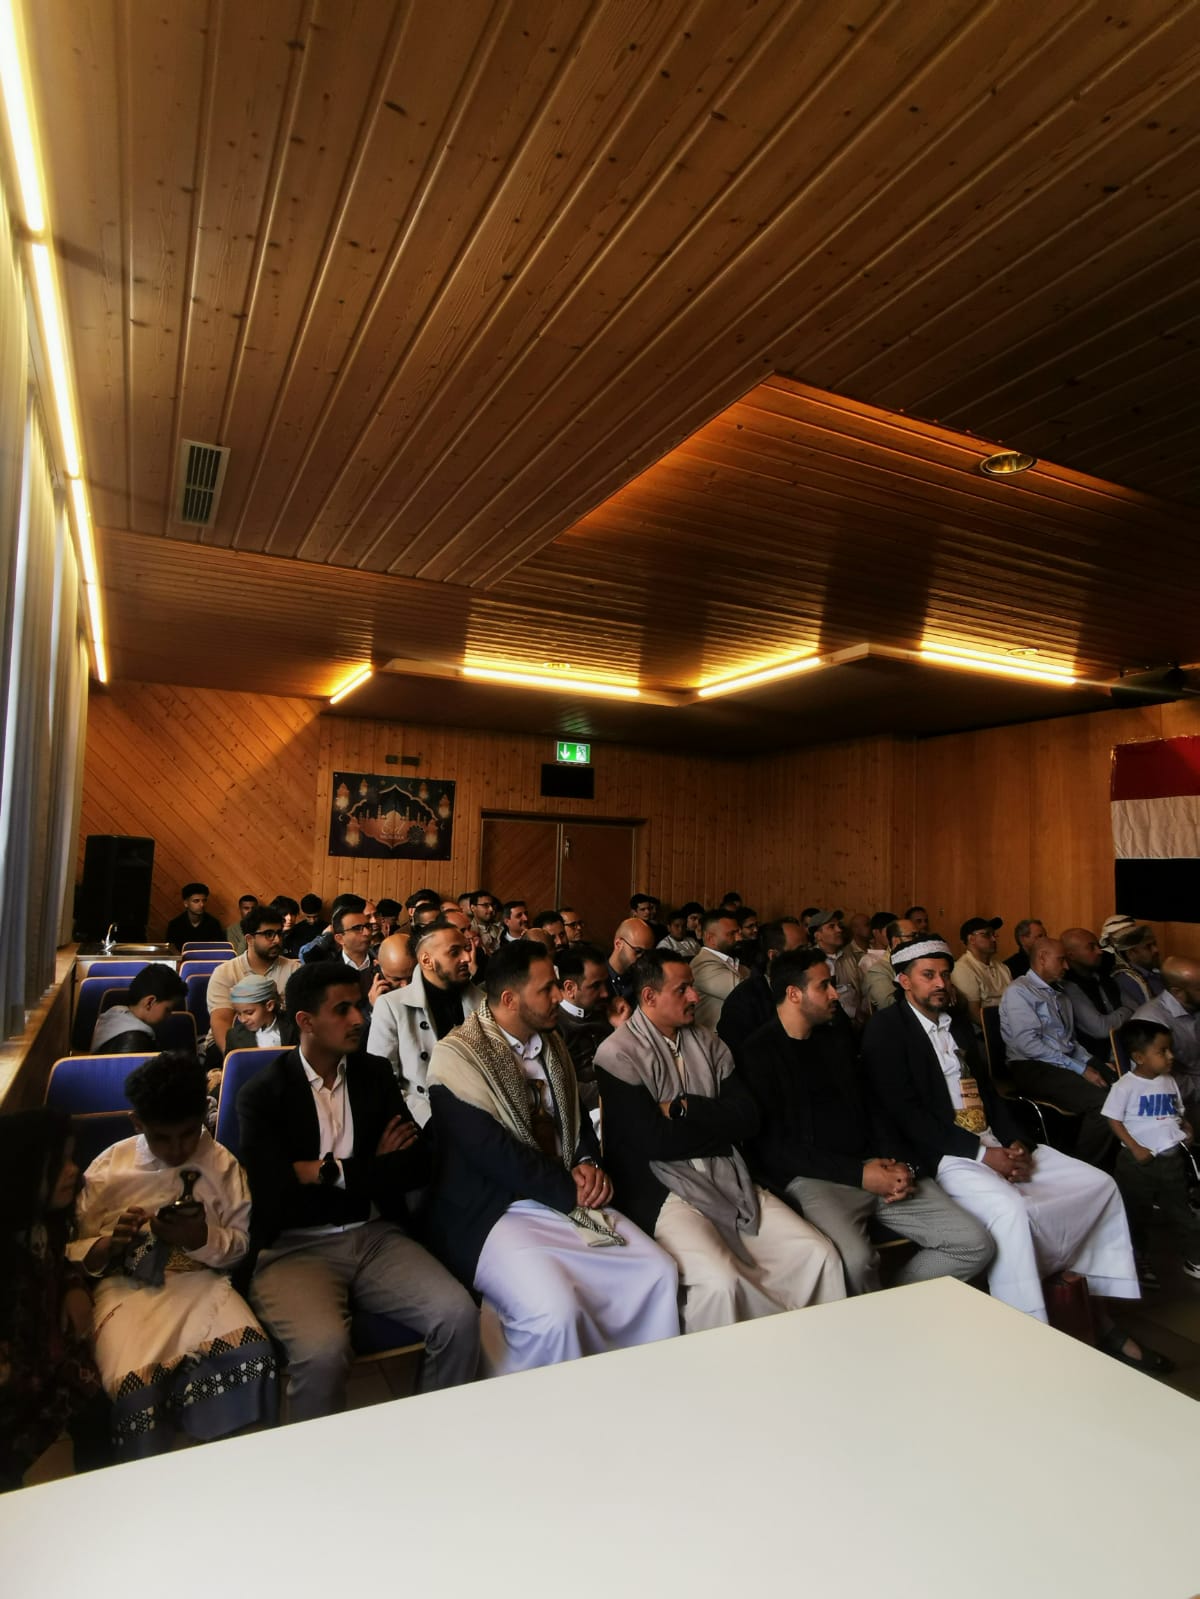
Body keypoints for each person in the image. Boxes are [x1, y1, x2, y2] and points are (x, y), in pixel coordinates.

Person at [861, 939, 1149, 1360]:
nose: (940, 983)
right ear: (904, 981)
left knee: (1097, 1184)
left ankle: (1091, 1306)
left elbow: (990, 1094)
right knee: (1011, 1210)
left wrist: (1015, 1142)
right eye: (928, 975)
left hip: (991, 1137)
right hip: (945, 1152)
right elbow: (905, 1113)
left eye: (945, 974)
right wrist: (983, 1155)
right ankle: (1027, 1326)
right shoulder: (887, 1029)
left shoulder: (957, 1023)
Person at [238, 962, 479, 1421]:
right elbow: (275, 1196)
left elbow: (413, 1167)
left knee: (458, 1316)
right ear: (306, 1021)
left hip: (375, 1234)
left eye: (357, 1006)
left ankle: (438, 1431)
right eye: (342, 1009)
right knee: (323, 1352)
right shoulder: (263, 1094)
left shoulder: (373, 1074)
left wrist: (325, 1172)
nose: (358, 1018)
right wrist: (373, 1168)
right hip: (295, 1248)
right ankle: (321, 1459)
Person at [426, 942, 679, 1374]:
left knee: (657, 1270)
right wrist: (571, 1188)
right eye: (547, 990)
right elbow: (492, 1154)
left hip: (560, 1191)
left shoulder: (551, 1042)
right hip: (496, 1206)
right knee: (555, 1310)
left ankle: (641, 1383)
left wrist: (588, 1163)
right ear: (510, 999)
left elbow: (575, 1122)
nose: (559, 996)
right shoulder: (457, 1057)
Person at [595, 951, 845, 1332]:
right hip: (662, 1188)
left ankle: (815, 1347)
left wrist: (684, 1108)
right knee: (721, 1282)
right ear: (649, 997)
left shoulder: (708, 1042)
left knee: (819, 1254)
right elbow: (653, 1142)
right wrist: (717, 1125)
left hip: (728, 1176)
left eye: (693, 987)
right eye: (682, 989)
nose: (695, 997)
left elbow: (747, 1118)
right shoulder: (617, 1053)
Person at [740, 949, 994, 1295]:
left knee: (974, 1243)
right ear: (794, 993)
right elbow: (775, 1149)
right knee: (854, 1262)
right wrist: (859, 1174)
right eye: (824, 986)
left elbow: (874, 1107)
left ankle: (893, 1308)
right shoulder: (757, 1054)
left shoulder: (835, 1037)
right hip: (818, 1178)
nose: (835, 993)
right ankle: (876, 1317)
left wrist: (899, 1162)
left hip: (878, 1164)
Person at [68, 1053, 279, 1456]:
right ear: (137, 1123)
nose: (178, 1148)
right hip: (125, 1291)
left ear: (202, 1117)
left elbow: (240, 1245)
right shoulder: (109, 1169)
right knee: (135, 1390)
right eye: (162, 1137)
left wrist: (199, 1238)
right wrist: (111, 1243)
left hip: (201, 1283)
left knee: (255, 1357)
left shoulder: (222, 1166)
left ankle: (243, 1464)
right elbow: (74, 1249)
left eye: (188, 1133)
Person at [0, 1109, 110, 1492]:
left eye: (71, 1157)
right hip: (18, 1394)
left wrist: (73, 1285)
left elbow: (61, 1263)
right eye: (59, 1162)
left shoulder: (45, 1225)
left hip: (52, 1368)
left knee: (98, 1414)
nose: (73, 1169)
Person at [999, 936, 1116, 1165]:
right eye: (1061, 960)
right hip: (1031, 1066)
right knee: (1103, 1103)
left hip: (1062, 1061)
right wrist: (1082, 1069)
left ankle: (1119, 1162)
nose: (1066, 966)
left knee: (1123, 1088)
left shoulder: (1060, 994)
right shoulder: (1019, 991)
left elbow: (1069, 1042)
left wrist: (1094, 1063)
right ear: (1042, 958)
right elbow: (1028, 1045)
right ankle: (1085, 1168)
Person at [1104, 1019, 1200, 1282]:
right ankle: (1137, 1260)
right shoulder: (1125, 1086)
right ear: (1139, 1057)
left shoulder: (1168, 1081)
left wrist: (1187, 1129)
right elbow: (1113, 1119)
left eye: (1170, 1049)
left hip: (1171, 1159)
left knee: (1182, 1211)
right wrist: (1135, 1147)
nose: (1171, 1056)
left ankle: (1194, 1258)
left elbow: (1177, 1112)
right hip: (1137, 1162)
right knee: (1136, 1212)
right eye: (1162, 1051)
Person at [366, 917, 481, 1124]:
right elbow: (381, 1081)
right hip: (426, 1121)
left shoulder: (483, 1001)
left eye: (466, 949)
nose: (467, 958)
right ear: (427, 961)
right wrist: (426, 1120)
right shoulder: (391, 1006)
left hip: (481, 1115)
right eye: (454, 952)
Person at [206, 905, 300, 1056]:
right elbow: (221, 1021)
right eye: (269, 934)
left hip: (282, 1043)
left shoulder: (295, 970)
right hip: (230, 1045)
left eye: (279, 933)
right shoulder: (225, 972)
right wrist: (238, 1059)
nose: (277, 940)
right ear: (249, 939)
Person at [716, 919, 803, 1058]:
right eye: (800, 951)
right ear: (774, 955)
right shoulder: (743, 1001)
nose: (809, 957)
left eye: (809, 949)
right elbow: (743, 1057)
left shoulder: (813, 988)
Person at [554, 942, 617, 1113]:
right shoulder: (553, 1026)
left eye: (605, 983)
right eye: (595, 986)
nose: (605, 993)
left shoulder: (608, 1010)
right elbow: (567, 1090)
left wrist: (622, 1028)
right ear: (570, 988)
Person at [1132, 956, 1200, 1105]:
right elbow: (1161, 1082)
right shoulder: (1150, 1022)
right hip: (1185, 1102)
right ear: (1177, 992)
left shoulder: (1194, 1003)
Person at [1060, 926, 1132, 1057]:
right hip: (1095, 1059)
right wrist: (1126, 1011)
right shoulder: (1068, 986)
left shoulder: (1103, 976)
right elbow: (1101, 1028)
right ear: (1071, 955)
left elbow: (1136, 1008)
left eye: (1098, 946)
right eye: (1091, 947)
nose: (1099, 951)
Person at [91, 963, 187, 1053]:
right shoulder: (137, 1043)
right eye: (168, 1010)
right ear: (149, 1002)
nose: (169, 1016)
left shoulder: (114, 1014)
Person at [950, 916, 1011, 1029]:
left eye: (994, 934)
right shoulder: (962, 968)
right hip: (985, 1033)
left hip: (1010, 1026)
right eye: (987, 935)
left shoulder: (1003, 968)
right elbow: (974, 1014)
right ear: (971, 939)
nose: (993, 939)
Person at [689, 908, 742, 1029]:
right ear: (710, 938)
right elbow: (746, 994)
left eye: (738, 932)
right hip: (714, 1037)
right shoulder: (703, 964)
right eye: (732, 934)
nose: (739, 938)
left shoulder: (734, 960)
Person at [223, 973, 298, 1053]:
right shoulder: (234, 1037)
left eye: (249, 1013)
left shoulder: (295, 1027)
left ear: (269, 1006)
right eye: (238, 1013)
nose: (243, 1020)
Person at [809, 910, 861, 1022]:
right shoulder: (811, 961)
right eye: (832, 927)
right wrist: (854, 1013)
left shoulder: (848, 955)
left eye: (839, 926)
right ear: (818, 936)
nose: (839, 930)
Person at [1104, 918, 1164, 1006]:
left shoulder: (1156, 972)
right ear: (1131, 953)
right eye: (1148, 947)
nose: (1156, 950)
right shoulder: (1127, 980)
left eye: (1155, 944)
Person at [859, 916, 913, 1014]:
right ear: (896, 941)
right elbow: (889, 1006)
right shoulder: (878, 971)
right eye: (912, 936)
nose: (919, 940)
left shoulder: (922, 962)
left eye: (920, 935)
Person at [607, 915, 656, 1005]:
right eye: (638, 951)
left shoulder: (645, 979)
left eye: (647, 953)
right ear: (618, 944)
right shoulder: (596, 977)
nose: (643, 958)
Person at [165, 882, 224, 950]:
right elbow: (171, 951)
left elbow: (219, 950)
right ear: (186, 903)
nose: (202, 904)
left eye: (204, 900)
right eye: (196, 901)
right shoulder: (175, 925)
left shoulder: (213, 924)